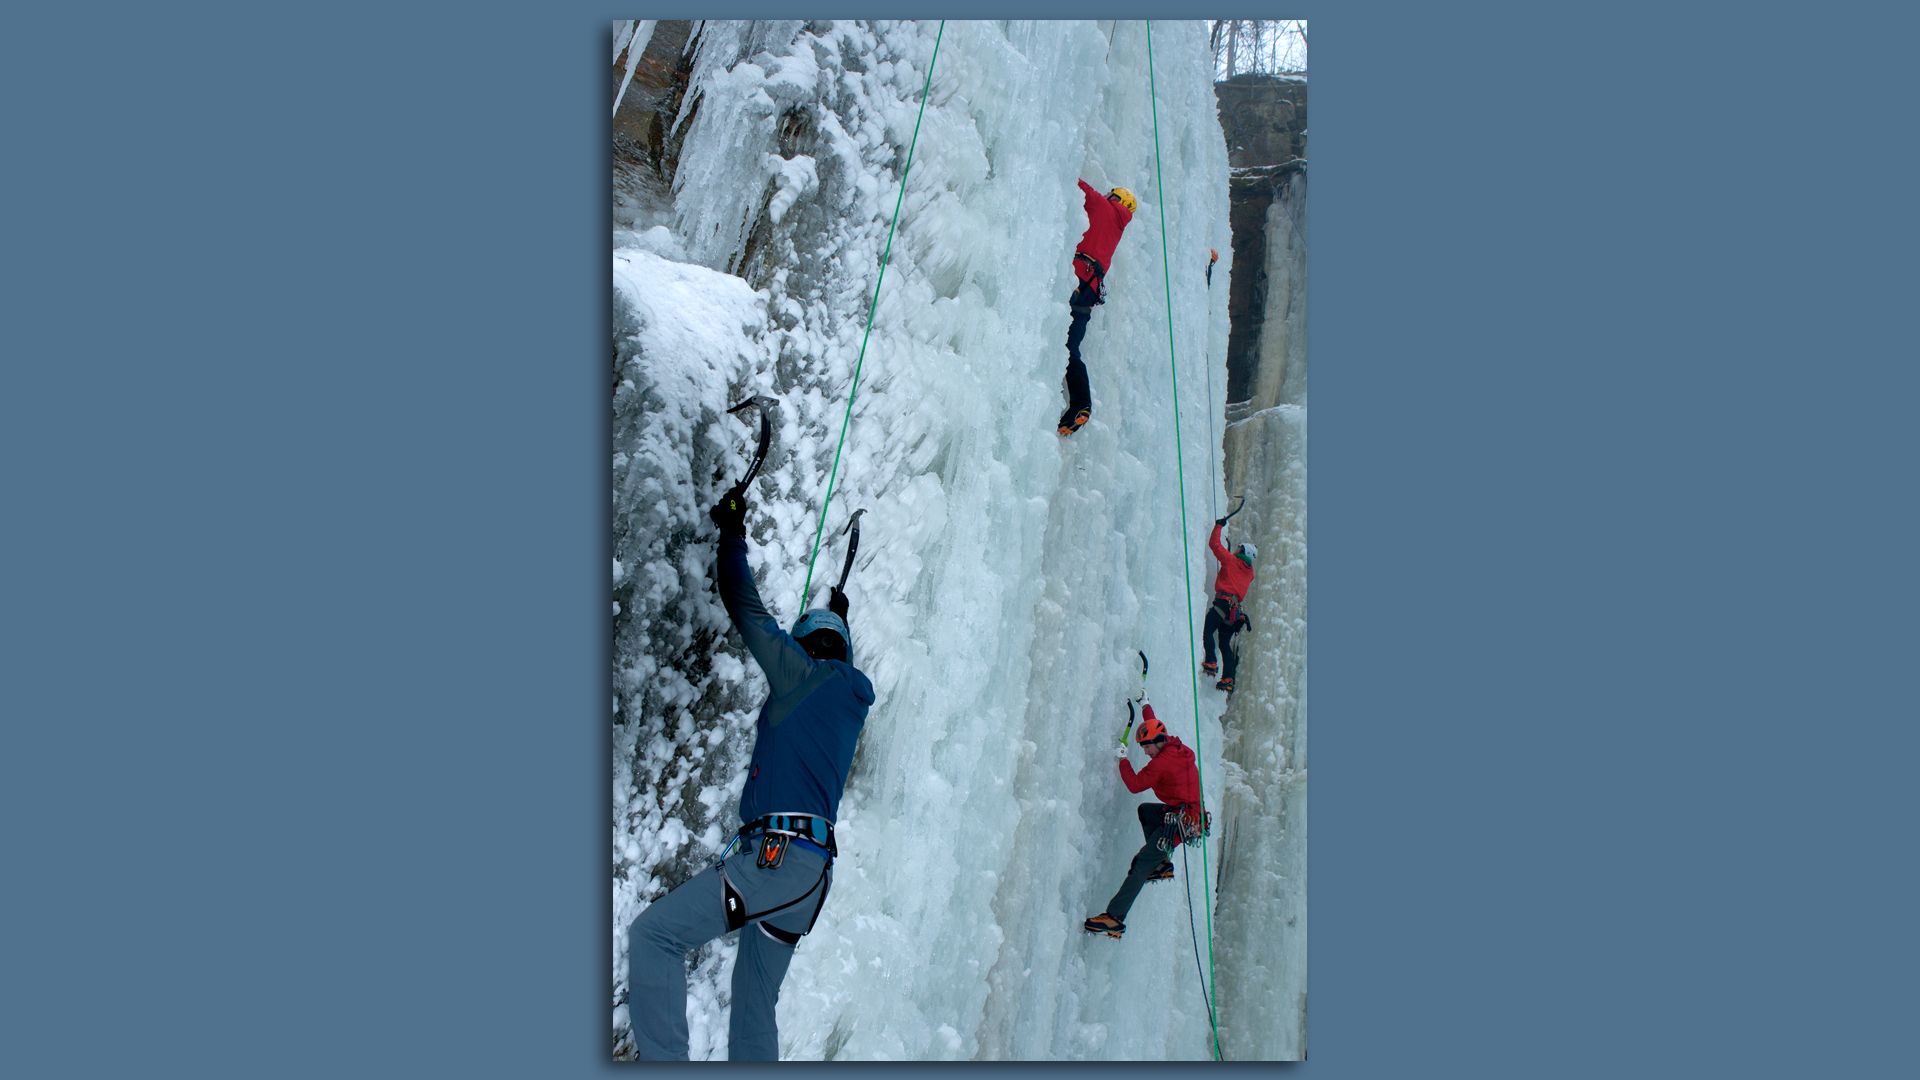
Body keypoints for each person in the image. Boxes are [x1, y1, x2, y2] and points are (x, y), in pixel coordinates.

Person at [625, 483, 875, 1060]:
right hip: (808, 880)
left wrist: (732, 530)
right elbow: (834, 660)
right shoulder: (846, 704)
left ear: (808, 647)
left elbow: (745, 605)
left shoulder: (800, 675)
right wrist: (836, 618)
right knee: (754, 1002)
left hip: (776, 858)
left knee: (655, 936)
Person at [1083, 703, 1202, 939]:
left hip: (1179, 823)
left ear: (1157, 743)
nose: (1145, 752)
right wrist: (1145, 705)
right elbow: (1154, 725)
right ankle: (1161, 864)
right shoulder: (1172, 746)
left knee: (1141, 865)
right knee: (1146, 811)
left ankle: (1114, 918)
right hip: (1184, 817)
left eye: (1146, 748)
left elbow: (1135, 785)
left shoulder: (1161, 763)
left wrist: (1123, 760)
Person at [1058, 180, 1137, 436]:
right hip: (1090, 291)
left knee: (1051, 328)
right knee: (1070, 347)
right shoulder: (1119, 226)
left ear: (1114, 198)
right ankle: (1081, 403)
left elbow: (1077, 183)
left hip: (1076, 276)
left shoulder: (1102, 205)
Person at [1202, 518, 1256, 692]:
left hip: (1223, 604)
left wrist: (1219, 526)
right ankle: (1228, 678)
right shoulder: (1249, 574)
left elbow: (1214, 545)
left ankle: (1211, 661)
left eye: (1239, 548)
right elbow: (1236, 575)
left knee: (1208, 630)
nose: (1236, 549)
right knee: (1224, 644)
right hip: (1234, 613)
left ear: (1242, 551)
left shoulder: (1232, 561)